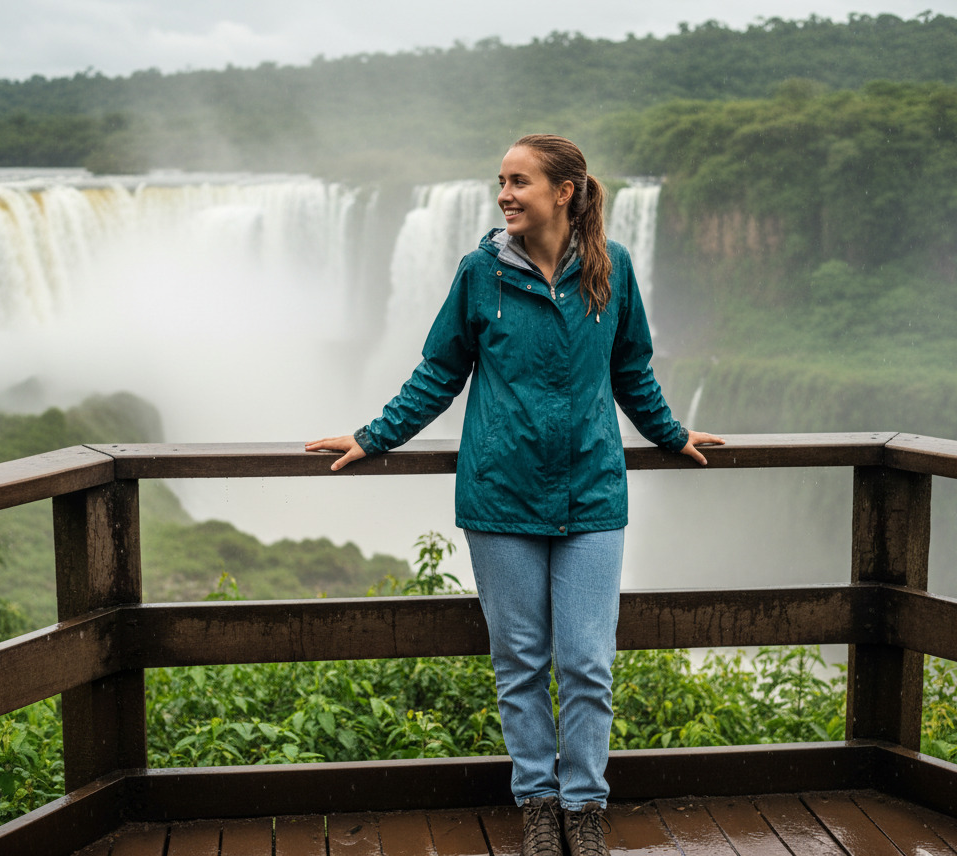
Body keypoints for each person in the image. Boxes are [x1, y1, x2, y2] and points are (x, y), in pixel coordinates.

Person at [306, 134, 723, 856]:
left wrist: (670, 431)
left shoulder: (611, 269)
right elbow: (440, 372)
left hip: (592, 493)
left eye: (519, 181)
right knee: (522, 661)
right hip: (501, 496)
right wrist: (373, 437)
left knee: (588, 662)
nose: (504, 193)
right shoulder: (480, 273)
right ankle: (538, 801)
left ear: (563, 191)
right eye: (500, 180)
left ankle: (585, 807)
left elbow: (632, 369)